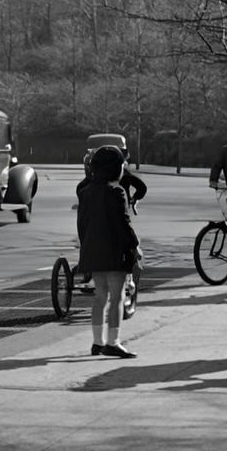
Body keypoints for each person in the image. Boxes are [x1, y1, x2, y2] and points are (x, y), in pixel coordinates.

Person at [76, 145, 143, 359]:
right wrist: (134, 246)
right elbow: (122, 224)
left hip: (93, 249)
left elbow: (82, 224)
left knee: (100, 297)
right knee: (117, 297)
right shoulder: (117, 192)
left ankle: (97, 342)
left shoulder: (86, 192)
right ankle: (113, 343)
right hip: (114, 251)